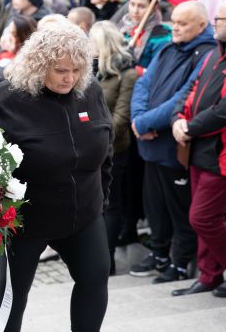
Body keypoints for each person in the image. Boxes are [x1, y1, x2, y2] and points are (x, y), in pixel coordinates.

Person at [0, 24, 113, 332]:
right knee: (14, 292)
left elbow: (106, 149)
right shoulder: (4, 99)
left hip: (84, 211)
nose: (69, 78)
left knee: (95, 276)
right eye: (60, 70)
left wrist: (102, 198)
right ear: (38, 65)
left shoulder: (88, 90)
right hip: (28, 218)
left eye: (77, 70)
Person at [171, 0, 226, 298]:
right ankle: (209, 275)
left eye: (217, 20)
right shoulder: (216, 53)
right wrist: (178, 119)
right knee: (204, 217)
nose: (214, 25)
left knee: (203, 217)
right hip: (200, 148)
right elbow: (191, 90)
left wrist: (189, 128)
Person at [130, 0, 215, 284]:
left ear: (202, 26)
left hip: (173, 145)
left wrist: (144, 122)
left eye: (183, 24)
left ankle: (179, 263)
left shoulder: (206, 54)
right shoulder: (167, 47)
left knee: (179, 209)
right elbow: (143, 84)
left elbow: (184, 97)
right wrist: (138, 119)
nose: (175, 28)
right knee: (154, 205)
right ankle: (160, 253)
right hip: (149, 142)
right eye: (174, 21)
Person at [90, 21, 139, 275]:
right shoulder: (90, 70)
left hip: (113, 149)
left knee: (110, 204)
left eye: (93, 42)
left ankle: (106, 261)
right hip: (88, 148)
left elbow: (121, 117)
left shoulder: (127, 75)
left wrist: (95, 138)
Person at [120, 0, 171, 69]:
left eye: (142, 6)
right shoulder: (125, 29)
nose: (135, 11)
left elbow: (157, 68)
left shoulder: (162, 35)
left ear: (154, 7)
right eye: (132, 4)